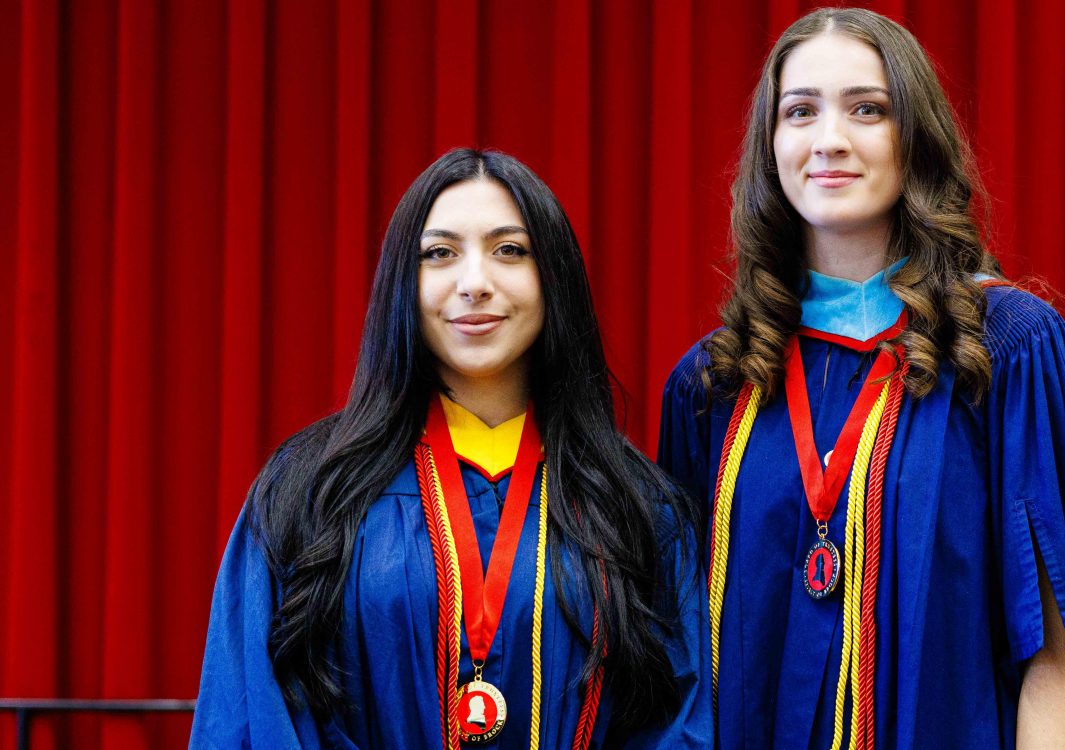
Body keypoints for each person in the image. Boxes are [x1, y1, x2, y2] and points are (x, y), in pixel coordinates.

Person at [658, 8, 1065, 749]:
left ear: (916, 137)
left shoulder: (1005, 350)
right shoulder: (716, 385)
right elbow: (677, 680)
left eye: (869, 109)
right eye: (800, 111)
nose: (830, 139)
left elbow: (1059, 663)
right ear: (771, 147)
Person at [192, 149, 710, 749]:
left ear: (555, 279)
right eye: (439, 254)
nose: (474, 283)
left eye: (509, 250)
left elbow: (678, 725)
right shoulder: (308, 495)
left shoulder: (638, 510)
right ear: (400, 285)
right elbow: (255, 718)